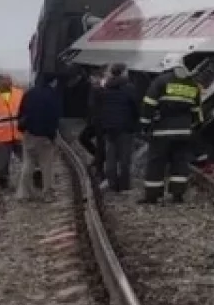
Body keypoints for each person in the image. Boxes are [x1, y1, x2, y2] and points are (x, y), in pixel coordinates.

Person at [139, 58, 202, 204]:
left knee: (156, 163)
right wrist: (191, 127)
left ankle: (152, 196)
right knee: (180, 162)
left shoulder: (161, 81)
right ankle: (177, 195)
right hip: (183, 132)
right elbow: (197, 112)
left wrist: (145, 125)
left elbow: (148, 104)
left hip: (162, 131)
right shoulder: (193, 85)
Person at [15, 75, 63, 201]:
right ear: (53, 81)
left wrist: (24, 129)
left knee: (28, 164)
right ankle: (48, 194)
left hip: (29, 134)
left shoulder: (28, 94)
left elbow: (20, 113)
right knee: (46, 166)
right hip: (45, 136)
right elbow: (55, 116)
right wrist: (52, 135)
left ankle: (23, 194)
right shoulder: (53, 95)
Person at [97, 63, 139, 193]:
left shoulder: (105, 88)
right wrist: (136, 123)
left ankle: (112, 184)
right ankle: (124, 186)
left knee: (111, 158)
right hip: (125, 128)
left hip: (109, 128)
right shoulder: (129, 88)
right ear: (123, 72)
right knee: (124, 159)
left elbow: (100, 108)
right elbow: (135, 107)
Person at [78, 66, 109, 181]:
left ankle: (100, 171)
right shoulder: (93, 89)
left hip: (102, 121)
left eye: (93, 77)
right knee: (83, 138)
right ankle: (98, 159)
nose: (91, 79)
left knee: (101, 145)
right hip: (94, 121)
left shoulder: (103, 90)